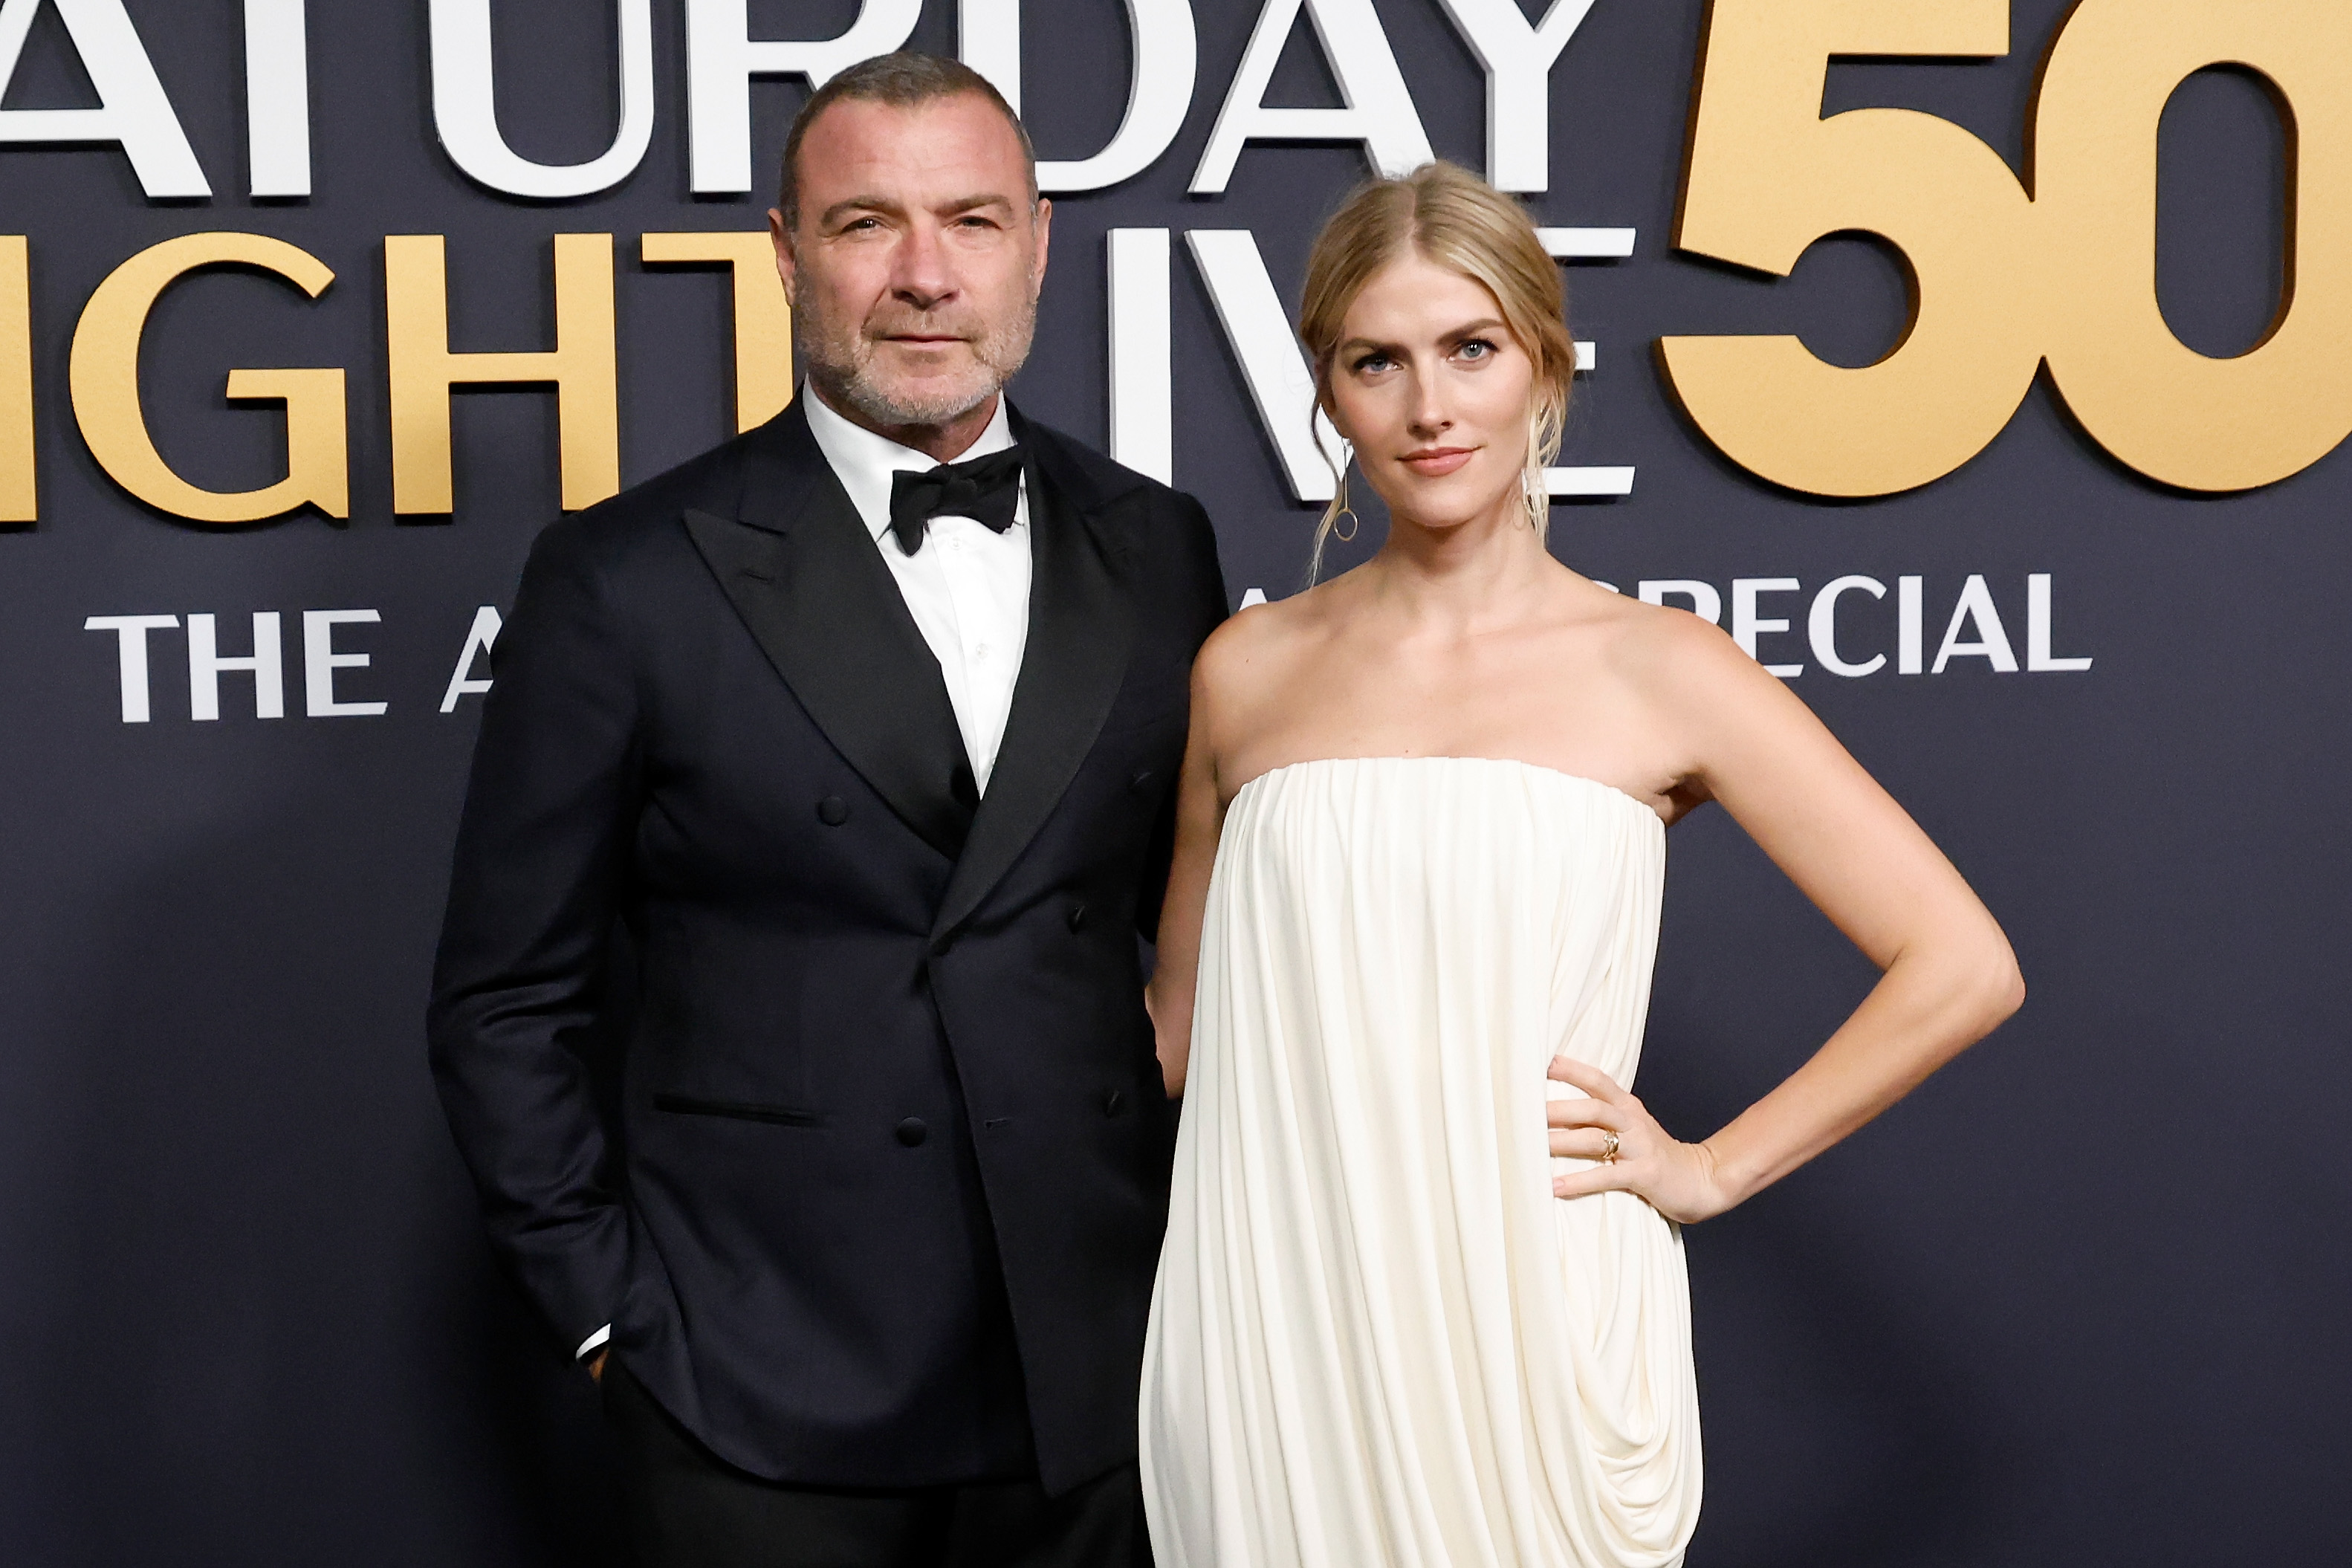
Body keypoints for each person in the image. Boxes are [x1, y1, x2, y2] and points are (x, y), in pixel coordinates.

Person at [1136, 161, 2024, 1568]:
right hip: (1280, 1334)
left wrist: (1711, 1168)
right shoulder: (1244, 671)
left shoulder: (1661, 667)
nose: (1429, 407)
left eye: (1470, 349)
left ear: (1543, 367)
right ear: (1327, 393)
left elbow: (1963, 966)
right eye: (1377, 361)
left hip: (1539, 1333)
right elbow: (1175, 1040)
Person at [429, 52, 1225, 1568]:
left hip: (1102, 1379)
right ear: (787, 256)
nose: (925, 275)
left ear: (1037, 245)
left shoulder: (1158, 542)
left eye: (970, 220)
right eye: (867, 223)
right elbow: (505, 999)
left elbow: (1198, 937)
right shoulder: (627, 572)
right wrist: (609, 1324)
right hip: (756, 1395)